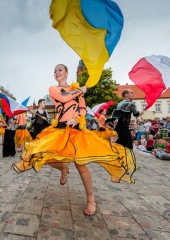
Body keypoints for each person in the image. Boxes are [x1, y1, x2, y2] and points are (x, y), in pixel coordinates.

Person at [13, 64, 136, 216]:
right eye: (55, 70)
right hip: (59, 130)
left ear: (66, 73)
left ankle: (91, 199)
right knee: (46, 157)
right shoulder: (53, 89)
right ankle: (63, 169)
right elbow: (64, 98)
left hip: (76, 131)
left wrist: (77, 118)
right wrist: (80, 90)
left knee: (81, 165)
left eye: (60, 70)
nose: (56, 72)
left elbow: (83, 109)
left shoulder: (77, 92)